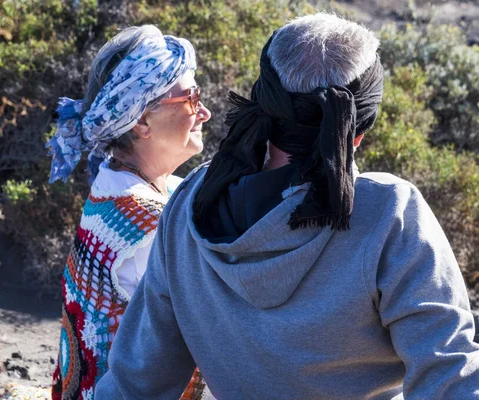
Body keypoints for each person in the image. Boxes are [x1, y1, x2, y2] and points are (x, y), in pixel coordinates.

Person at [95, 13, 479, 400]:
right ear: (357, 131)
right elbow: (450, 376)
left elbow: (135, 382)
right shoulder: (388, 214)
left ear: (265, 104)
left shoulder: (190, 206)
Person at [46, 25, 212, 400]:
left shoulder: (116, 181)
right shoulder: (147, 219)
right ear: (140, 121)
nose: (204, 110)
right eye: (189, 97)